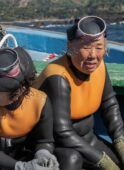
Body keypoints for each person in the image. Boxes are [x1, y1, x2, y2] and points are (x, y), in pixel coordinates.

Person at [33, 16, 124, 170]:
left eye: (99, 47)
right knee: (74, 159)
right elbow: (62, 132)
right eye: (86, 47)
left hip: (88, 139)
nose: (93, 55)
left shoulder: (99, 66)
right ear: (71, 47)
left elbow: (109, 104)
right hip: (53, 145)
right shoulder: (58, 77)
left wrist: (120, 141)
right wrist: (102, 161)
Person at [0, 47, 59, 170]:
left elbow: (44, 141)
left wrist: (43, 153)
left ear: (20, 90)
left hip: (23, 153)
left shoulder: (40, 102)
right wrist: (20, 167)